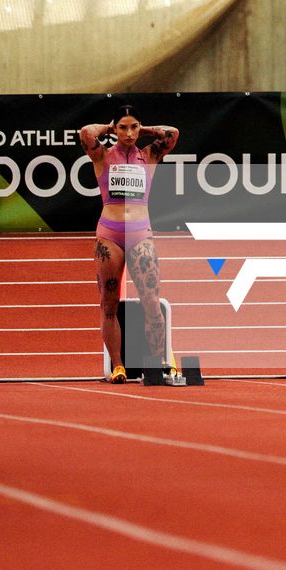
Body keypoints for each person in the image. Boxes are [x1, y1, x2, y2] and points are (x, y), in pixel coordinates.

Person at [78, 109, 181, 381]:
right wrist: (108, 128)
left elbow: (173, 133)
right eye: (123, 128)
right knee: (108, 305)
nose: (129, 133)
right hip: (109, 235)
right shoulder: (102, 155)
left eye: (133, 127)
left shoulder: (148, 156)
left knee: (151, 301)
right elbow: (86, 133)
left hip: (140, 233)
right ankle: (118, 365)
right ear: (115, 129)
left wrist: (145, 129)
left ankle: (156, 364)